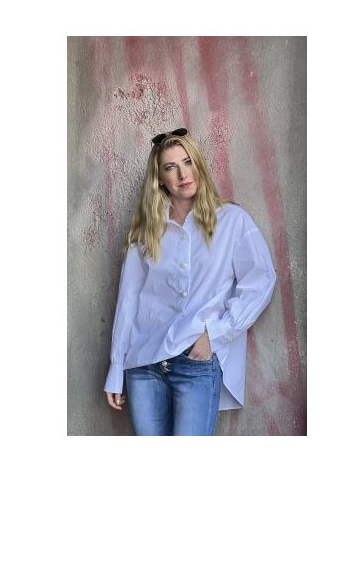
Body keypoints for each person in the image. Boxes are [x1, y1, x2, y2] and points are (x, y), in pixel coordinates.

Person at [103, 128, 277, 435]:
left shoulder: (231, 220)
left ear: (198, 164)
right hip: (144, 365)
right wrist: (116, 368)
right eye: (171, 167)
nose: (183, 174)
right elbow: (129, 300)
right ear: (160, 178)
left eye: (188, 162)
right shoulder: (146, 230)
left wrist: (216, 334)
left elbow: (261, 281)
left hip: (195, 363)